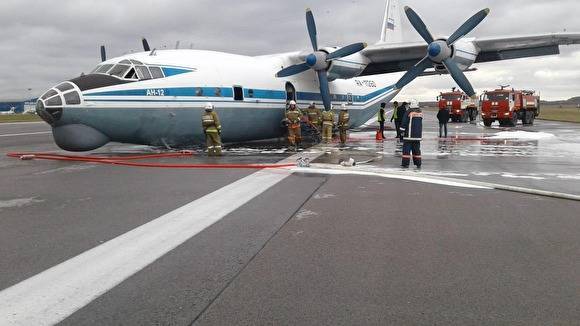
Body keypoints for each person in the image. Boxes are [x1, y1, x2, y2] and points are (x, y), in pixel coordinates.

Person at [400, 99, 423, 168]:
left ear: (411, 104)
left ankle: (405, 163)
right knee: (417, 151)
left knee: (406, 151)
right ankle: (418, 163)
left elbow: (404, 122)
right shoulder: (420, 112)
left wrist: (401, 131)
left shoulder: (408, 112)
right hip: (417, 136)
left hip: (409, 136)